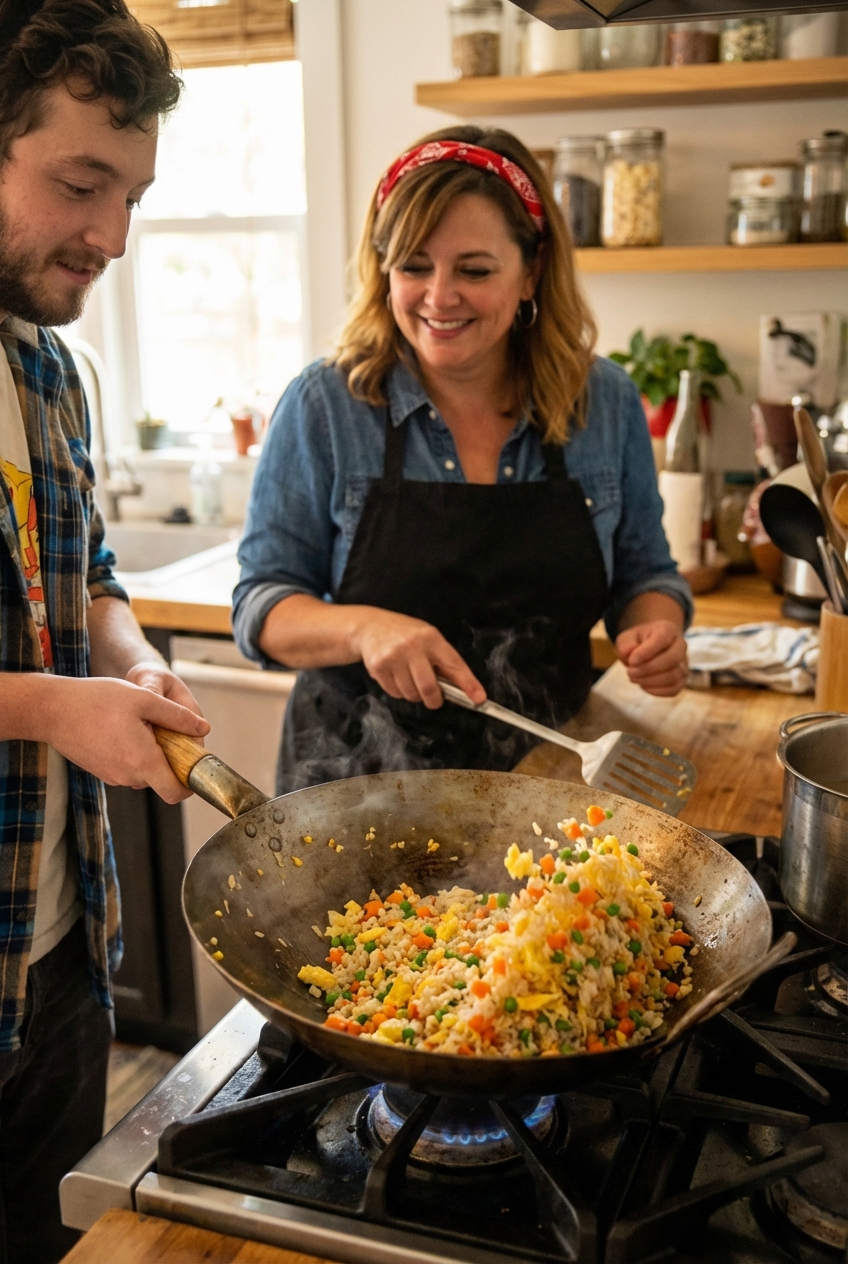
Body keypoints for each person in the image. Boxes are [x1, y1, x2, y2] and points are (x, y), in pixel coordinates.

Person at [234, 126, 692, 794]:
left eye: (474, 270)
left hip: (552, 779)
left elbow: (646, 573)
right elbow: (261, 606)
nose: (439, 296)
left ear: (531, 271)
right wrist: (363, 629)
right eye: (414, 266)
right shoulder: (325, 405)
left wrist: (656, 630)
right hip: (354, 790)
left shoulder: (607, 403)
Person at [0, 3, 209, 1261]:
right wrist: (51, 705)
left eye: (132, 197)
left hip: (58, 957)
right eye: (82, 187)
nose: (114, 237)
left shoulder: (47, 369)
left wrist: (127, 657)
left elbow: (93, 575)